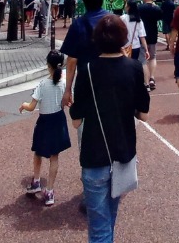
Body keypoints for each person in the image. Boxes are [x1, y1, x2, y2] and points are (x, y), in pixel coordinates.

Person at [70, 14, 150, 242]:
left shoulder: (87, 69)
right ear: (123, 38)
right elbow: (143, 114)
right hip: (122, 155)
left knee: (99, 229)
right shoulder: (134, 68)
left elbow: (76, 120)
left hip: (94, 155)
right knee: (109, 220)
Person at [20, 50, 71, 206]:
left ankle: (36, 182)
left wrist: (23, 105)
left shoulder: (42, 84)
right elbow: (68, 102)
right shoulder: (64, 84)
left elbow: (31, 106)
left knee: (38, 153)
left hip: (44, 122)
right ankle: (49, 191)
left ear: (48, 65)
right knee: (54, 157)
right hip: (58, 120)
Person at [60, 0, 110, 110]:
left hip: (85, 81)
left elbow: (71, 60)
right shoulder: (113, 21)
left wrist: (67, 89)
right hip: (111, 79)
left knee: (84, 124)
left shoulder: (78, 25)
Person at [138, 0, 162, 90]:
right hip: (153, 34)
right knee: (152, 57)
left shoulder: (139, 8)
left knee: (143, 59)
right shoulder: (156, 8)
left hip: (142, 35)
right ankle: (152, 77)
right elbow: (160, 17)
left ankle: (145, 81)